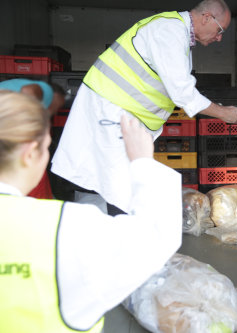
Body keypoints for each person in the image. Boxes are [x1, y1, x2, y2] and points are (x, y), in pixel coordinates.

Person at [0, 92, 182, 332]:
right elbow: (156, 238)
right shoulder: (66, 228)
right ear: (29, 153)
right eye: (46, 147)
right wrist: (142, 162)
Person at [51, 0, 237, 215]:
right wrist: (223, 113)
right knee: (120, 184)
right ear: (206, 17)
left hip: (121, 112)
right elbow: (182, 92)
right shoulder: (169, 31)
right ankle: (122, 239)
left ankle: (111, 232)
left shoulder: (176, 33)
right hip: (111, 109)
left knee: (113, 180)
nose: (219, 38)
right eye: (220, 31)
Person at [0, 79, 66, 199]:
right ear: (56, 95)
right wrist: (34, 118)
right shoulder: (47, 90)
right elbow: (28, 91)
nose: (56, 110)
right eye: (59, 105)